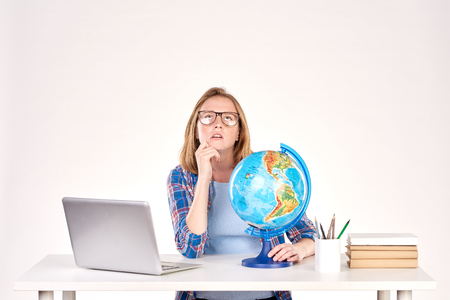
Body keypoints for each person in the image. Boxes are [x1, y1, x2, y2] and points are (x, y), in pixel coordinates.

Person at [167, 87, 316, 300]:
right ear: (196, 129)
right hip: (203, 297)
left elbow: (309, 236)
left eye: (228, 118)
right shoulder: (182, 177)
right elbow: (191, 248)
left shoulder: (265, 170)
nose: (217, 123)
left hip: (266, 296)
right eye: (208, 117)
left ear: (239, 132)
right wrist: (203, 178)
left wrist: (300, 250)